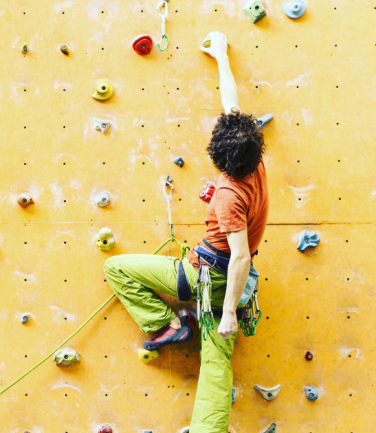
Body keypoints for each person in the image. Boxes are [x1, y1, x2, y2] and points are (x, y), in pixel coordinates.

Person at [102, 31, 269, 432]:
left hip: (205, 277)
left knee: (118, 269)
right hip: (223, 275)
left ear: (220, 157)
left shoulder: (229, 195)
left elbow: (241, 256)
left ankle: (167, 325)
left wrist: (227, 312)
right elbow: (233, 106)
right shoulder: (256, 163)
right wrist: (221, 57)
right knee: (216, 363)